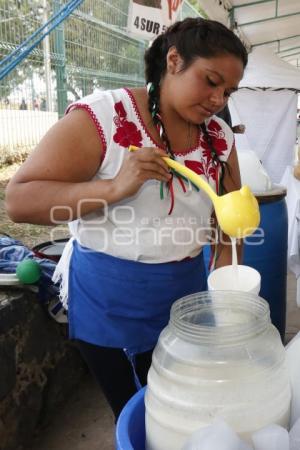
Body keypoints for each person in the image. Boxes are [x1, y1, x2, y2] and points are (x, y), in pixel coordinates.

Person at [5, 18, 247, 420]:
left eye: (228, 91)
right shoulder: (105, 117)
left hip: (185, 296)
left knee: (185, 409)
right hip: (112, 301)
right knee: (141, 413)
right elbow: (20, 199)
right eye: (210, 81)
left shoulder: (218, 137)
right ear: (173, 61)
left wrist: (226, 296)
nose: (218, 99)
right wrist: (114, 188)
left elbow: (229, 223)